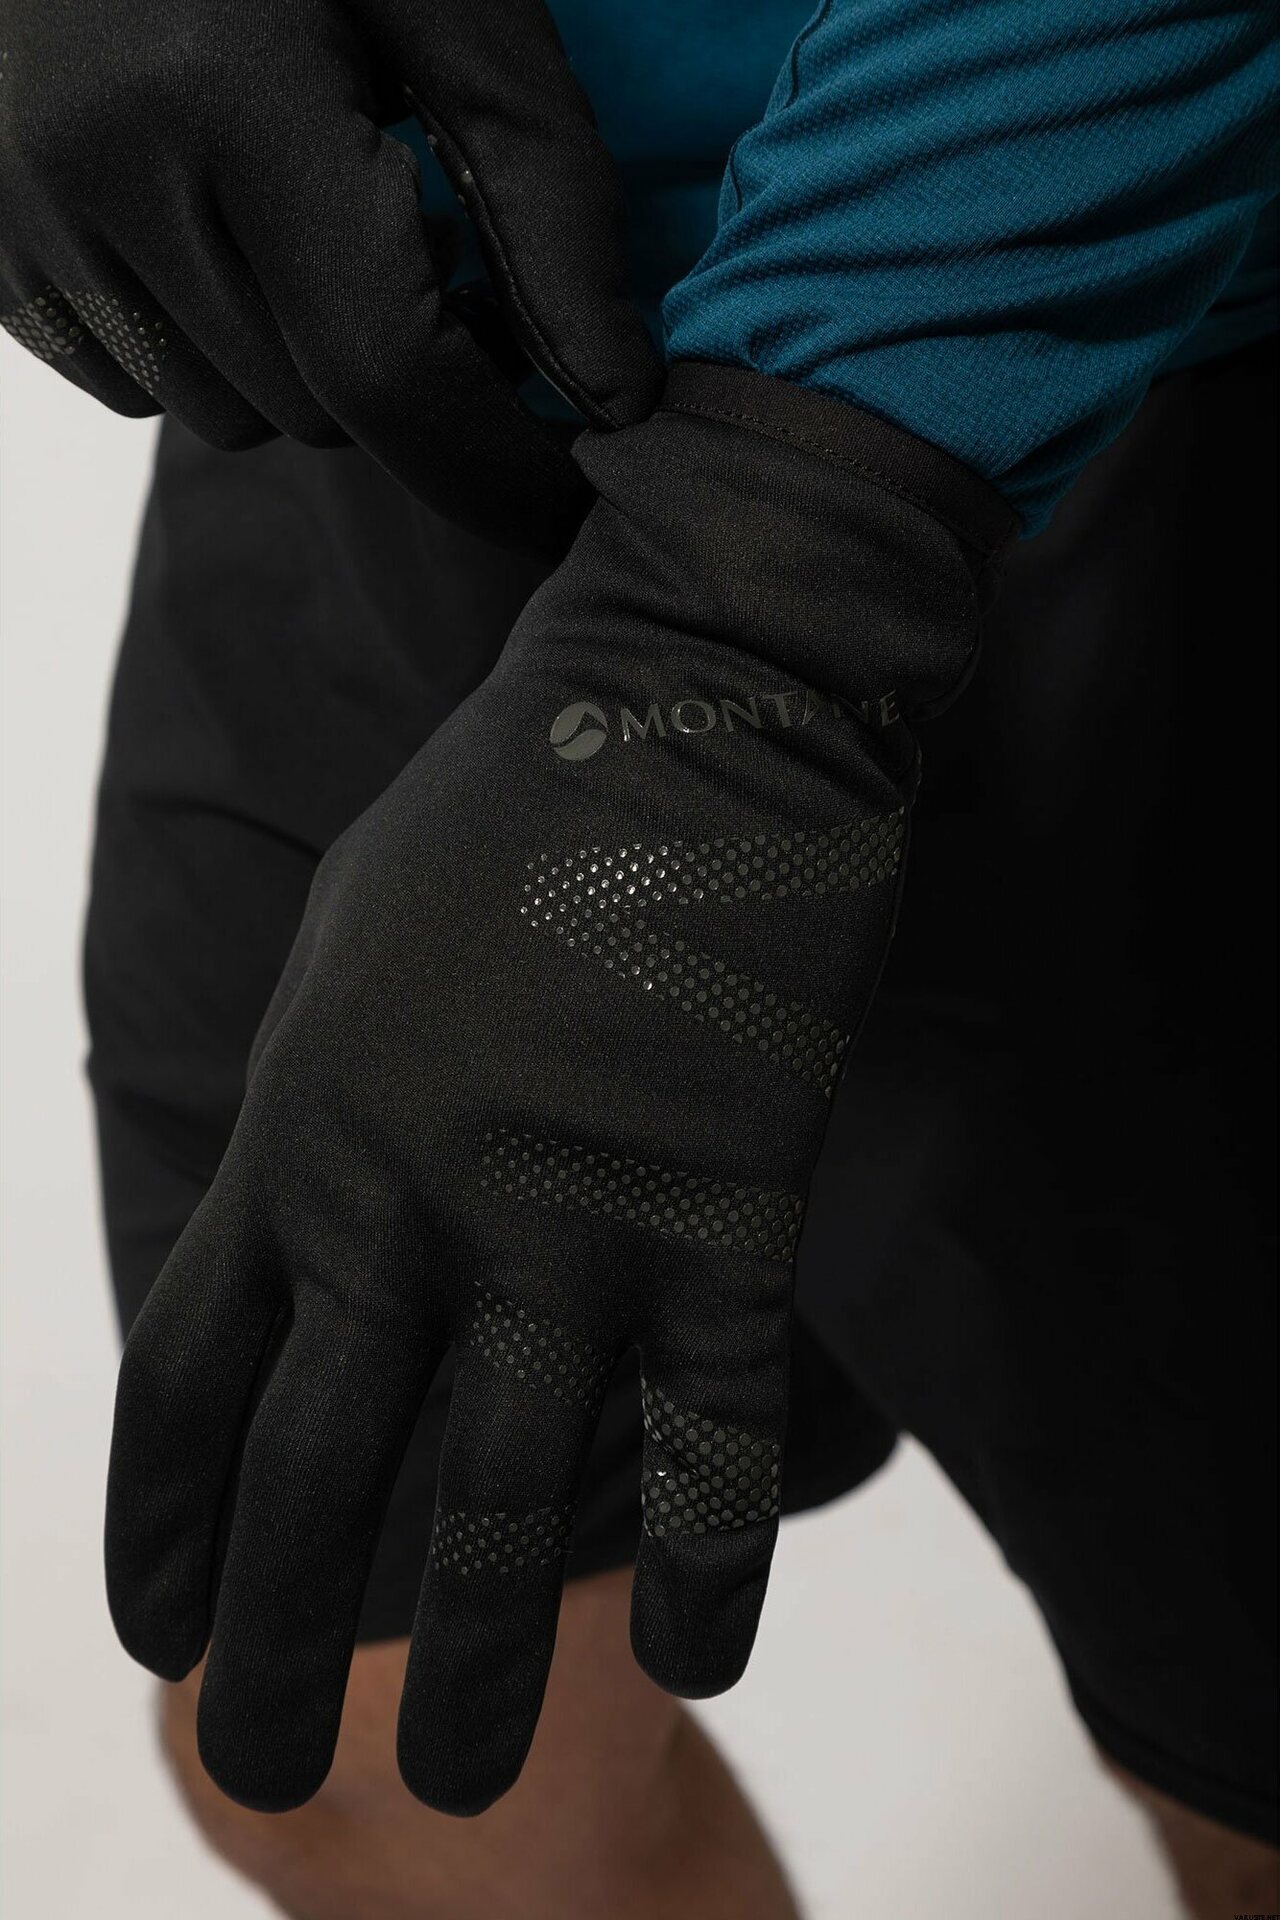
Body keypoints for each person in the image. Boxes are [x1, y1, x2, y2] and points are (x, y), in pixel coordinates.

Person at [3, 2, 1276, 1915]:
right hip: (383, 305)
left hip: (1079, 307)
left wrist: (760, 596)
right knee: (367, 1735)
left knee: (1250, 1764)